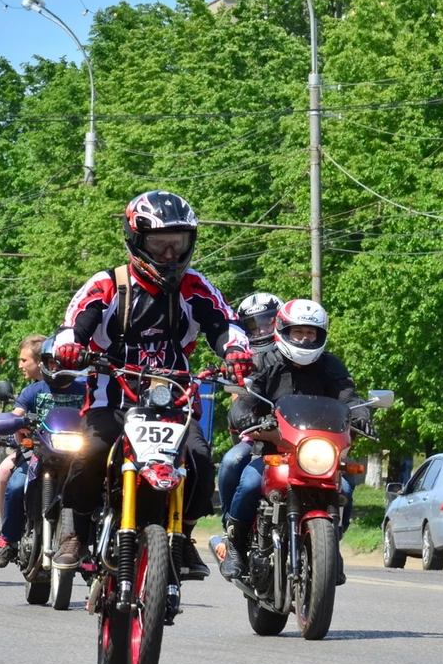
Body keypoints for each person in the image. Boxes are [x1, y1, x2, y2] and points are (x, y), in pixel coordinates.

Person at [52, 190, 253, 580]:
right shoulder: (108, 283)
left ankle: (183, 536)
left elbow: (224, 323)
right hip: (112, 399)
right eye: (159, 244)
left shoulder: (194, 285)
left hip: (174, 402)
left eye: (178, 243)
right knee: (90, 453)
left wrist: (236, 351)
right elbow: (74, 323)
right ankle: (75, 531)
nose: (169, 255)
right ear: (135, 240)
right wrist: (69, 347)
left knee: (199, 459)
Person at [219, 299, 361, 585]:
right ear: (283, 331)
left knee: (345, 487)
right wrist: (246, 415)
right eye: (298, 332)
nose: (305, 338)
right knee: (249, 483)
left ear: (320, 335)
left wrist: (361, 414)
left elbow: (348, 396)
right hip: (272, 449)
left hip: (318, 452)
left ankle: (330, 546)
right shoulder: (263, 362)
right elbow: (244, 399)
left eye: (311, 332)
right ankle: (235, 545)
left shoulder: (331, 365)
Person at [0, 335, 87, 568]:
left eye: (60, 362)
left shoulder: (85, 389)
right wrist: (14, 423)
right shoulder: (32, 391)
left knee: (96, 489)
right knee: (15, 486)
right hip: (37, 452)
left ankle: (89, 546)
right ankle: (9, 540)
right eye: (51, 362)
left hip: (76, 455)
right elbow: (16, 416)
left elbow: (96, 415)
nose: (56, 367)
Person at [217, 292, 282, 524]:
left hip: (299, 436)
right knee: (231, 461)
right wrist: (255, 425)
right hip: (256, 437)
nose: (260, 331)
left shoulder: (298, 353)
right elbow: (238, 403)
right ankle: (229, 524)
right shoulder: (241, 359)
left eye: (267, 323)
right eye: (252, 327)